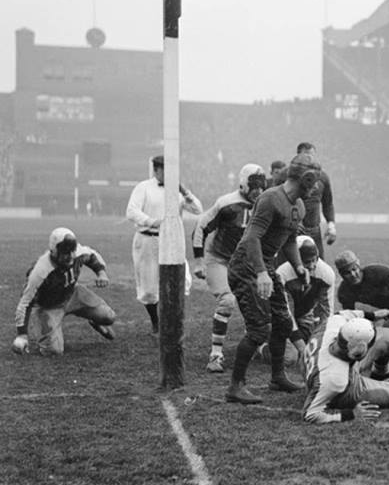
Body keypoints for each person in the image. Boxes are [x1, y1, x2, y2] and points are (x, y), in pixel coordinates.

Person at [225, 152, 317, 404]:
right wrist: (262, 273)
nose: (316, 187)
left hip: (265, 266)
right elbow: (251, 238)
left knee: (283, 322)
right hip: (247, 266)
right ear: (304, 179)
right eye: (314, 181)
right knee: (258, 329)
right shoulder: (270, 199)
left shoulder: (297, 205)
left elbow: (288, 239)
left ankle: (277, 377)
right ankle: (235, 386)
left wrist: (299, 266)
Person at [191, 163, 266, 373]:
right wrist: (198, 261)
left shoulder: (265, 204)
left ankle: (259, 344)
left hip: (246, 263)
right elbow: (200, 227)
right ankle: (216, 355)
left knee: (260, 303)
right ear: (243, 185)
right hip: (220, 259)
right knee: (227, 301)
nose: (258, 192)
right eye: (254, 187)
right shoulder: (227, 204)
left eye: (262, 187)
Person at [302, 312, 389, 424]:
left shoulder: (333, 325)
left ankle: (381, 371)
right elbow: (310, 414)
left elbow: (347, 314)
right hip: (343, 389)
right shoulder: (335, 381)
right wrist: (350, 414)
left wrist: (374, 314)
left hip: (328, 363)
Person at [125, 155, 202, 333]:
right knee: (149, 288)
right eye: (166, 170)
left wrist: (184, 191)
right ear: (157, 170)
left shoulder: (178, 191)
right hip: (147, 240)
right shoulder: (143, 188)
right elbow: (131, 211)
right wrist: (152, 221)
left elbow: (198, 209)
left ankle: (172, 318)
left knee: (182, 281)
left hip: (171, 241)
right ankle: (156, 322)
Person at [12, 227, 115, 357]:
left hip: (73, 294)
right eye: (66, 253)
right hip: (48, 307)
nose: (71, 256)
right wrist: (21, 334)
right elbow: (25, 303)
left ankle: (94, 320)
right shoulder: (39, 271)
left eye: (72, 251)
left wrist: (101, 273)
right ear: (54, 252)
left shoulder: (77, 252)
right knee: (53, 351)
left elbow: (92, 256)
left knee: (109, 317)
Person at [333, 249, 389, 376]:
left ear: (359, 264)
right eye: (347, 272)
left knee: (385, 332)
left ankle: (371, 370)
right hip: (387, 310)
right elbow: (351, 318)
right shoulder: (344, 291)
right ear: (341, 274)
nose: (353, 274)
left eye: (355, 268)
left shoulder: (378, 272)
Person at [275, 235, 336, 371]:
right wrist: (301, 347)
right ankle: (263, 345)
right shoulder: (282, 274)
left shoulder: (326, 273)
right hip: (279, 318)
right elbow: (286, 313)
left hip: (304, 316)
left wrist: (324, 341)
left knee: (318, 348)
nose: (312, 265)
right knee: (290, 357)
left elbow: (326, 312)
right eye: (307, 262)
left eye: (315, 260)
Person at [292, 142, 336, 259]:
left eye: (312, 156)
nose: (309, 159)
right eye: (306, 156)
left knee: (318, 264)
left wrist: (331, 226)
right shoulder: (289, 176)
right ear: (298, 157)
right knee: (290, 265)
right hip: (293, 230)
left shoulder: (322, 177)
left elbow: (328, 203)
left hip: (313, 229)